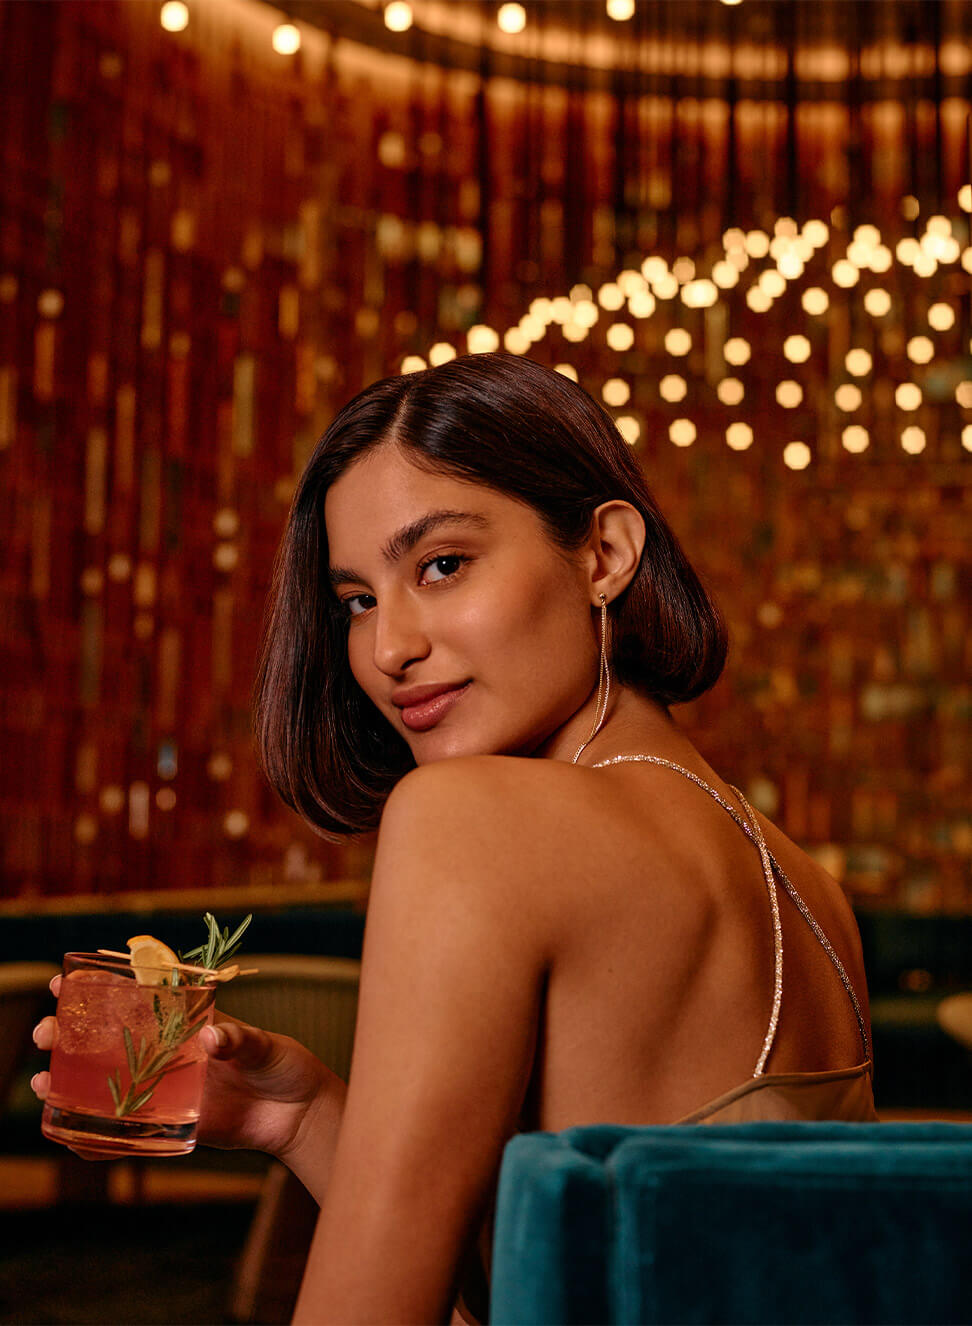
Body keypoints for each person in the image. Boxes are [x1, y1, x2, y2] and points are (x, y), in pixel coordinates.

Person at [32, 352, 876, 1323]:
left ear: (603, 553)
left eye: (442, 565)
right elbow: (562, 1278)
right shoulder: (811, 892)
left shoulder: (470, 817)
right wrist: (299, 1112)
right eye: (357, 601)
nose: (390, 648)